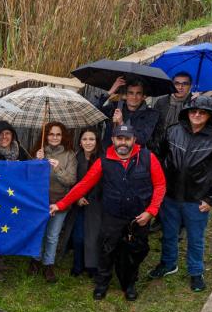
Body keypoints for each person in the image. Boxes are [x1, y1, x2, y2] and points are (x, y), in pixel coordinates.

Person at [51, 123, 166, 301]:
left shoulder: (148, 157)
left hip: (139, 217)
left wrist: (151, 211)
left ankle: (129, 283)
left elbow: (160, 185)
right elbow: (83, 185)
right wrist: (60, 204)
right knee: (106, 250)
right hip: (113, 216)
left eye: (127, 139)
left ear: (134, 140)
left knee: (136, 251)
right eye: (119, 138)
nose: (123, 143)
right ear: (113, 140)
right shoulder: (103, 161)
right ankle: (102, 283)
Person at [149, 95, 212, 292]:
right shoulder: (173, 131)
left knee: (195, 238)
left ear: (210, 116)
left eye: (202, 112)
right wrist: (159, 188)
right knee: (169, 234)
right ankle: (168, 264)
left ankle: (196, 272)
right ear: (187, 113)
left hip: (197, 199)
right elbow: (159, 158)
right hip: (170, 196)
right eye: (193, 111)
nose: (196, 115)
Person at [0, 120, 30, 282]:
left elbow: (31, 168)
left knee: (6, 230)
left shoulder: (21, 151)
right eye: (1, 134)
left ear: (12, 135)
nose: (4, 137)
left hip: (14, 200)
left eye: (7, 133)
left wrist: (40, 160)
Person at [33, 122, 77, 283]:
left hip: (60, 202)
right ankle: (35, 259)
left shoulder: (69, 155)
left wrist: (58, 168)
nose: (54, 137)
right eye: (51, 134)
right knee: (40, 233)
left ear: (62, 136)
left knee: (52, 235)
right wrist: (36, 162)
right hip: (40, 201)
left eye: (58, 134)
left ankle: (48, 264)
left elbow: (71, 181)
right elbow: (31, 178)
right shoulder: (40, 152)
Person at [67, 128, 103, 278]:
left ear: (97, 142)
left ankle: (92, 266)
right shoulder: (75, 159)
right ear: (80, 142)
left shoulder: (102, 159)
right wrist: (77, 198)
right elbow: (70, 181)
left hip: (97, 204)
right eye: (85, 139)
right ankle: (78, 264)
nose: (88, 142)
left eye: (92, 139)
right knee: (79, 237)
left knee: (93, 237)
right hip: (79, 203)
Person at [97, 77, 161, 148]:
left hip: (134, 157)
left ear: (143, 96)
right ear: (126, 95)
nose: (134, 97)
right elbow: (93, 111)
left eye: (138, 93)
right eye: (131, 93)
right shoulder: (114, 107)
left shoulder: (151, 114)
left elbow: (142, 139)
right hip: (108, 154)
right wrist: (110, 91)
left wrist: (122, 124)